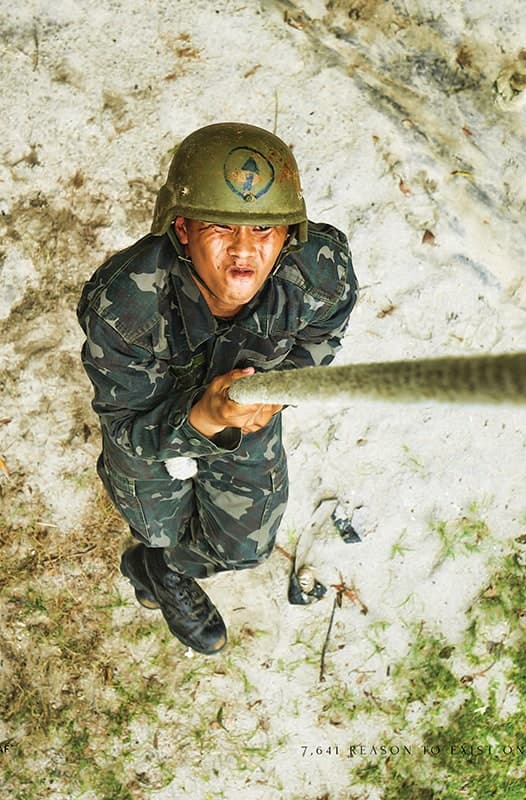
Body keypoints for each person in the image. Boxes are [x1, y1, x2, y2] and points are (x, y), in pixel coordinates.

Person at [77, 122, 358, 654]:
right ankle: (155, 551)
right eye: (221, 228)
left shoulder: (321, 271)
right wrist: (203, 418)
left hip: (250, 411)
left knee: (244, 548)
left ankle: (162, 571)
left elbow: (325, 333)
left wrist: (279, 389)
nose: (244, 252)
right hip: (157, 423)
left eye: (264, 231)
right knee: (158, 524)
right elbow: (127, 430)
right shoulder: (125, 307)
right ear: (181, 228)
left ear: (288, 235)